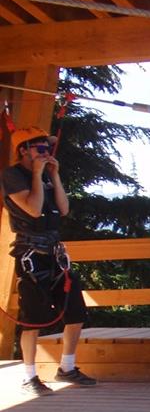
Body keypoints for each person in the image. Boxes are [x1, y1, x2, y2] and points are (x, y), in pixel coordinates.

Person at [3, 126, 95, 396]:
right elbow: (32, 208)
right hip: (31, 254)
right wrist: (36, 174)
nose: (45, 153)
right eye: (40, 148)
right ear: (24, 150)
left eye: (48, 148)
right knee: (32, 319)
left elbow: (63, 208)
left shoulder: (45, 175)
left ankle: (67, 367)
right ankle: (29, 376)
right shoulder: (12, 176)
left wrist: (53, 175)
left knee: (76, 312)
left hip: (55, 253)